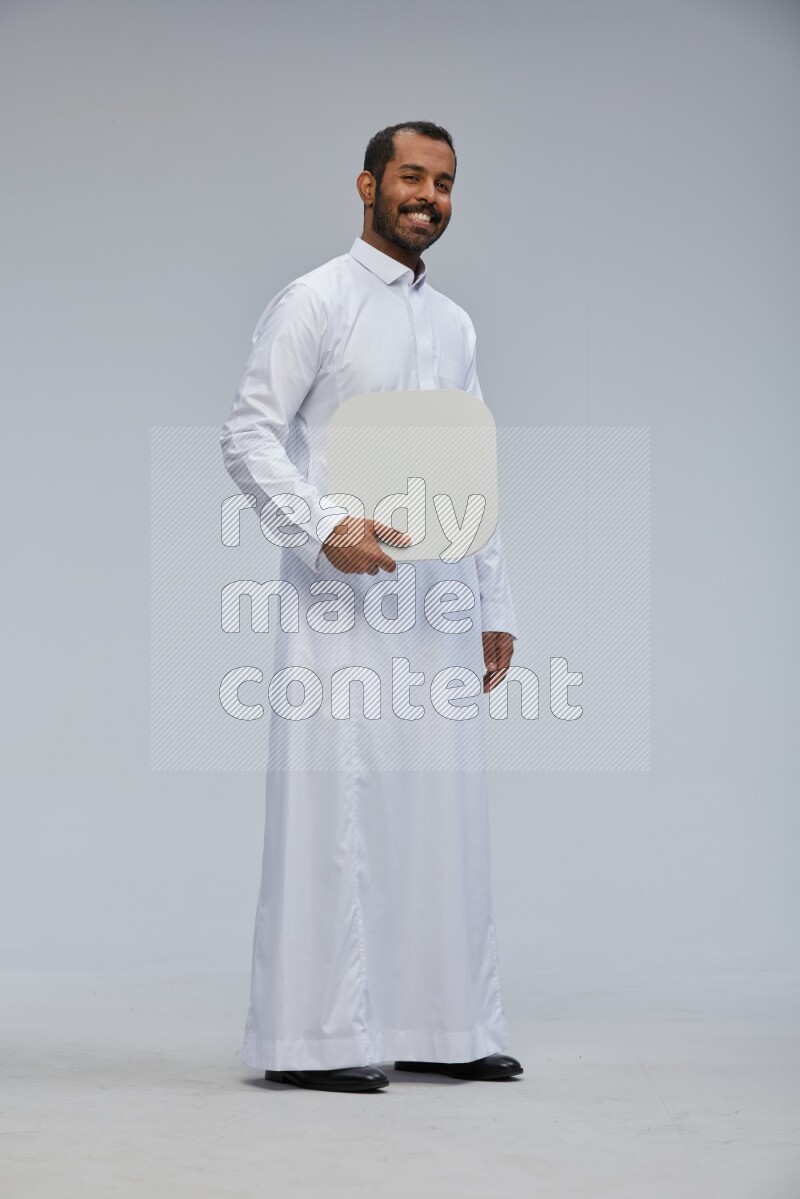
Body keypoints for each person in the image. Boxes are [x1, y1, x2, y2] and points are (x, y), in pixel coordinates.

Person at [219, 120, 523, 1093]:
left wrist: (493, 599)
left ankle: (444, 1022)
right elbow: (249, 435)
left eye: (444, 182)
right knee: (336, 809)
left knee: (442, 810)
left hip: (439, 604)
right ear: (366, 185)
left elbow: (472, 461)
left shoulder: (455, 325)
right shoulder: (316, 301)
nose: (428, 196)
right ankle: (313, 1036)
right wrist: (321, 527)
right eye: (411, 176)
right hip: (340, 605)